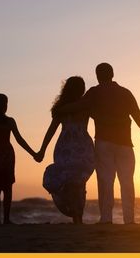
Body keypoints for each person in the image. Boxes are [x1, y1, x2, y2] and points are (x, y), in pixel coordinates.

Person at [53, 63, 140, 224]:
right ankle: (129, 220)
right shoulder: (125, 93)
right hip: (125, 144)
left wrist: (59, 109)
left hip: (104, 143)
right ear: (112, 74)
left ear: (98, 75)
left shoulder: (95, 92)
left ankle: (106, 219)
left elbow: (78, 106)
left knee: (106, 181)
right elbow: (137, 116)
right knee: (127, 181)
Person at [35, 76, 95, 224]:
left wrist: (42, 149)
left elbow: (51, 131)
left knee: (73, 181)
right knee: (78, 183)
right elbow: (52, 129)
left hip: (66, 147)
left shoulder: (64, 108)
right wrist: (42, 149)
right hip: (80, 147)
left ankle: (76, 214)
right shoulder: (85, 105)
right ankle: (77, 215)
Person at [0, 93, 36, 225]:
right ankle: (4, 219)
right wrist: (34, 153)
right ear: (1, 106)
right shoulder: (8, 121)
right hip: (4, 156)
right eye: (5, 104)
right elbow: (19, 140)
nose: (6, 106)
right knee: (5, 188)